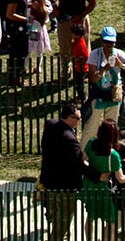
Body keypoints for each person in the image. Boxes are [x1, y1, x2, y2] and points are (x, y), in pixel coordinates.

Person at [38, 102, 85, 241]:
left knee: (53, 208)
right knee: (64, 215)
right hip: (65, 184)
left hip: (49, 177)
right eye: (77, 118)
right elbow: (79, 163)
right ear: (69, 117)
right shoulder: (70, 139)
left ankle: (55, 227)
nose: (79, 121)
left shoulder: (50, 124)